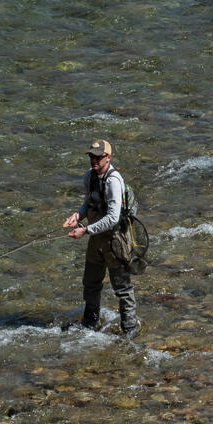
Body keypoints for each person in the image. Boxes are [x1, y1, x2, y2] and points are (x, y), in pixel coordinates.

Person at [63, 139, 137, 338]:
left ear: (108, 157)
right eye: (91, 156)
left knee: (122, 288)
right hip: (95, 239)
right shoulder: (90, 176)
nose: (94, 160)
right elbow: (88, 202)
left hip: (115, 240)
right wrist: (78, 216)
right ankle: (89, 323)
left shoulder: (114, 181)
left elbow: (113, 218)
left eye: (98, 157)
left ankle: (129, 330)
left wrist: (85, 230)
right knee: (90, 283)